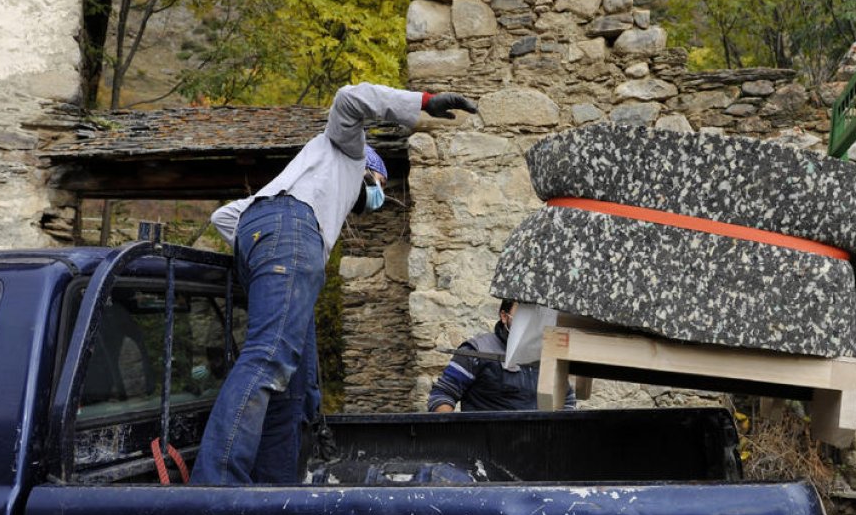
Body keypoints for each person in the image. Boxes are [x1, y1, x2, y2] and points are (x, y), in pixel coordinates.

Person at [192, 83, 477, 485]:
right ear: (368, 169)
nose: (378, 194)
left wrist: (264, 253)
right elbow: (348, 97)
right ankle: (214, 485)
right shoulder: (348, 149)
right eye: (378, 183)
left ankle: (277, 485)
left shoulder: (292, 192)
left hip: (276, 240)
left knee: (292, 384)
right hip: (294, 238)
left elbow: (225, 218)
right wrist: (424, 103)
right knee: (268, 358)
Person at [428, 299, 577, 412]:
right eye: (523, 314)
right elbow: (441, 396)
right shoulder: (477, 351)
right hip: (488, 447)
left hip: (536, 445)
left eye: (536, 315)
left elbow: (566, 400)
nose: (530, 322)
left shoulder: (547, 354)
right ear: (504, 316)